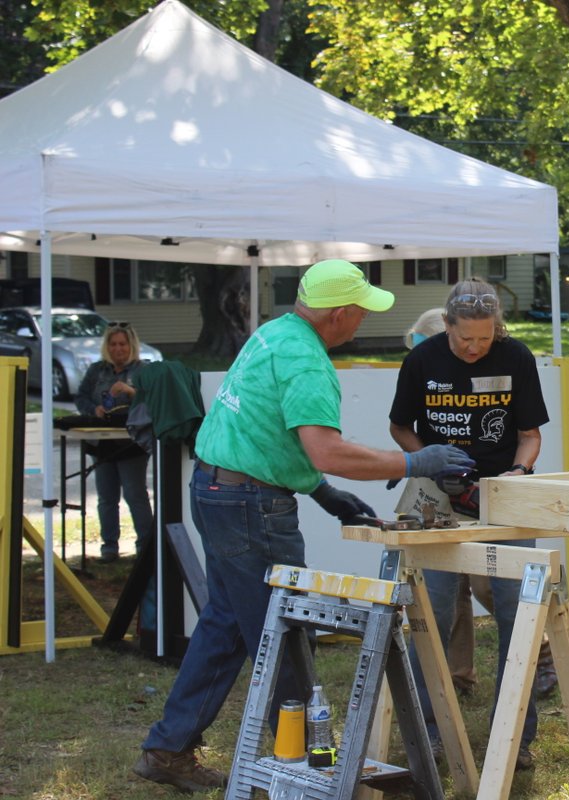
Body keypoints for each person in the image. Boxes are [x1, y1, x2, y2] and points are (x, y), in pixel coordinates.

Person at [133, 259, 472, 793]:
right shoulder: (308, 363)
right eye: (360, 312)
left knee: (227, 624)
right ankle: (308, 764)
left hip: (218, 489)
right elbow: (328, 450)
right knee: (286, 628)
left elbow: (267, 430)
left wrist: (321, 492)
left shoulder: (274, 334)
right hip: (249, 504)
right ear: (338, 313)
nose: (362, 321)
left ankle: (168, 747)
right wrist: (415, 462)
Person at [388, 280, 548, 770]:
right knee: (429, 615)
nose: (475, 348)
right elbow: (400, 425)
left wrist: (517, 476)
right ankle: (427, 730)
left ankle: (516, 733)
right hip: (436, 495)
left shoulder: (516, 357)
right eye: (465, 340)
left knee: (514, 615)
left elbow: (529, 435)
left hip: (501, 496)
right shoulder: (422, 360)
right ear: (448, 326)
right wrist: (428, 462)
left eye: (485, 338)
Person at [75, 321, 154, 563]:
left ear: (131, 346)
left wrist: (130, 392)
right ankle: (109, 546)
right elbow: (80, 397)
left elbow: (154, 399)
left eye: (122, 344)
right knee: (106, 497)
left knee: (135, 495)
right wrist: (93, 408)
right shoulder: (97, 370)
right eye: (113, 344)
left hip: (132, 442)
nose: (118, 349)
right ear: (107, 347)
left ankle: (146, 547)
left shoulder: (143, 370)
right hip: (102, 443)